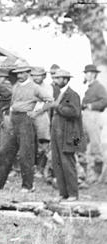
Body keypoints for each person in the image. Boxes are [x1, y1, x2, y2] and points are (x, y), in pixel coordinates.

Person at [0, 64, 53, 192]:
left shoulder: (35, 87)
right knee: (5, 152)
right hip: (13, 119)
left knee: (25, 154)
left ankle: (28, 186)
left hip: (26, 120)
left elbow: (50, 101)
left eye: (22, 73)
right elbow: (12, 103)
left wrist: (36, 112)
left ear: (28, 73)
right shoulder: (16, 86)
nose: (19, 76)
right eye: (18, 73)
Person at [50, 69, 83, 201]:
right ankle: (63, 193)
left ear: (66, 80)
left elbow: (74, 112)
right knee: (58, 163)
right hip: (57, 134)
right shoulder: (59, 94)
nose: (56, 80)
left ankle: (73, 194)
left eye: (59, 78)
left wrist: (58, 107)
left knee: (68, 163)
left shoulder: (72, 94)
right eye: (55, 78)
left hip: (69, 135)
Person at [80, 64, 107, 186]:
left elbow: (104, 100)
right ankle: (87, 174)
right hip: (86, 116)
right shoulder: (89, 87)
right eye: (86, 73)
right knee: (83, 145)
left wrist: (91, 106)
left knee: (95, 145)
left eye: (89, 73)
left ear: (94, 74)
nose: (87, 75)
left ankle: (97, 175)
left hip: (94, 116)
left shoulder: (98, 86)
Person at [29, 67, 52, 175]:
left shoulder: (48, 87)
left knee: (43, 143)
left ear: (44, 76)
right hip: (28, 115)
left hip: (41, 116)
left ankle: (40, 168)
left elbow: (48, 102)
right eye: (34, 75)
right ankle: (25, 168)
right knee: (27, 142)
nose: (36, 77)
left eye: (39, 75)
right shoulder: (28, 86)